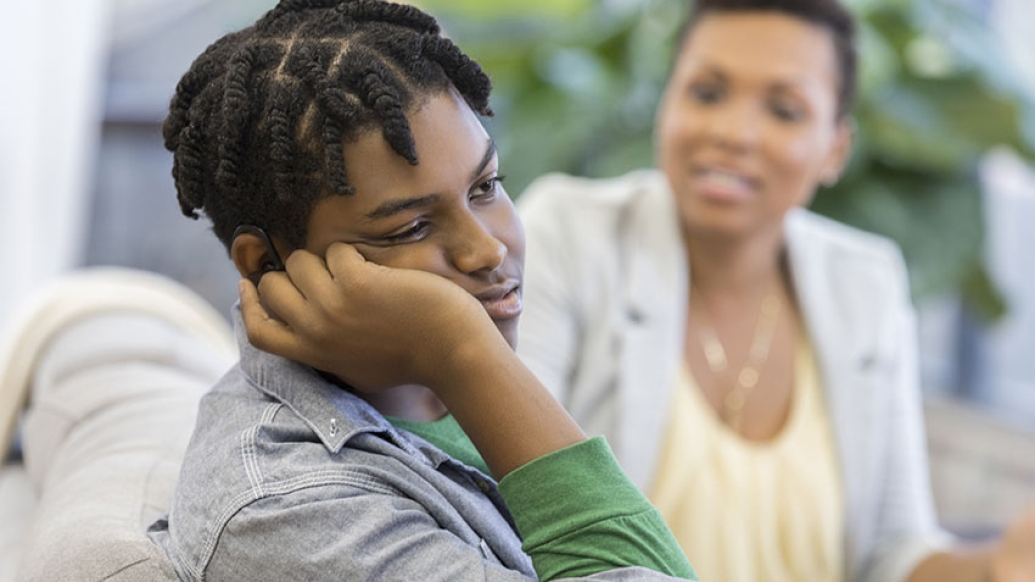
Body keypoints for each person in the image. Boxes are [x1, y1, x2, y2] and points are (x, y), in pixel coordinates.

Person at [145, 1, 698, 580]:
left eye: (487, 186)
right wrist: (459, 350)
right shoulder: (290, 515)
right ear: (266, 264)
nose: (486, 250)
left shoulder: (442, 387)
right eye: (409, 227)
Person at [514, 0, 1035, 581]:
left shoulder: (865, 283)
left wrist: (997, 565)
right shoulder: (569, 234)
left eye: (784, 110)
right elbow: (513, 501)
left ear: (835, 148)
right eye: (707, 93)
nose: (734, 132)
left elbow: (893, 555)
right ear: (667, 105)